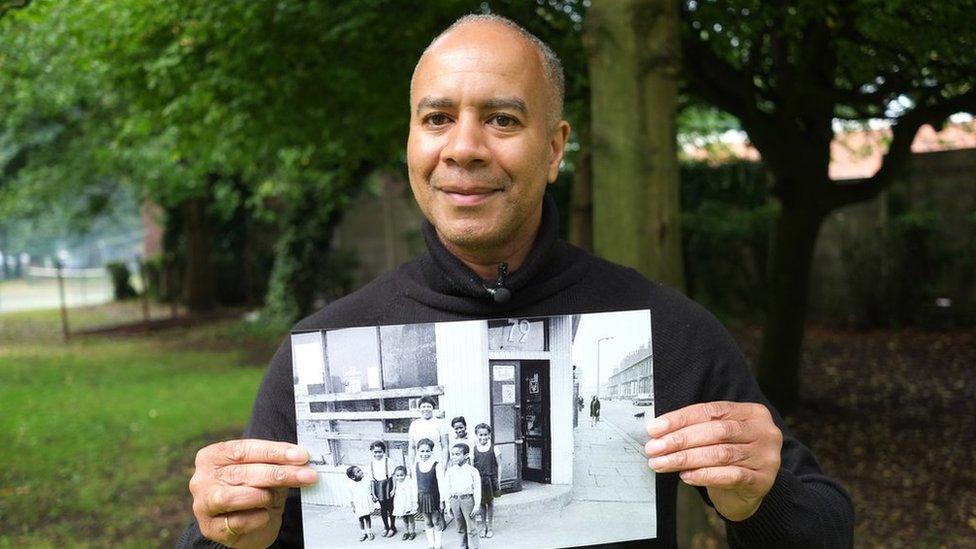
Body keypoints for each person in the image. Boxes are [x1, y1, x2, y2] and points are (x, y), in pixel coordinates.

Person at [180, 13, 854, 549]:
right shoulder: (320, 349)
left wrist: (764, 502)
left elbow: (824, 529)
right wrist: (229, 536)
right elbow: (244, 535)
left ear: (555, 147)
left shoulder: (665, 329)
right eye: (437, 118)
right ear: (412, 141)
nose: (464, 146)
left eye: (502, 119)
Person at [442, 443, 483, 549]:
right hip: (455, 500)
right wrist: (448, 504)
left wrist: (477, 505)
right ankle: (463, 546)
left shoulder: (472, 471)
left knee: (471, 527)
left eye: (457, 454)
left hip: (467, 500)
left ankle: (474, 546)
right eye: (453, 454)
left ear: (466, 455)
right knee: (459, 526)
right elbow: (446, 488)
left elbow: (477, 489)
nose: (454, 457)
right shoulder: (450, 471)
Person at [415, 438, 446, 549]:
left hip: (434, 497)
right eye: (422, 451)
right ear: (418, 451)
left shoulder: (436, 465)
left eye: (427, 451)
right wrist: (415, 500)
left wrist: (442, 500)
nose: (424, 454)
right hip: (422, 497)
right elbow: (414, 483)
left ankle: (438, 544)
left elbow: (441, 483)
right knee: (427, 521)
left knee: (436, 521)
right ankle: (431, 544)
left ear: (432, 451)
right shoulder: (416, 465)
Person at [471, 423, 501, 539]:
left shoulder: (494, 448)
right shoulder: (474, 449)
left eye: (485, 434)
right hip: (479, 480)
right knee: (482, 504)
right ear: (477, 435)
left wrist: (498, 479)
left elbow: (500, 465)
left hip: (491, 479)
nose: (483, 437)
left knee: (491, 503)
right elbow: (472, 467)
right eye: (480, 435)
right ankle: (483, 527)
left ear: (489, 435)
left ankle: (490, 527)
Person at [407, 396, 451, 472]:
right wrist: (411, 466)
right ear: (419, 408)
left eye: (428, 406)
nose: (426, 409)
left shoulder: (441, 423)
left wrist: (444, 466)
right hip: (420, 462)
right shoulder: (414, 425)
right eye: (423, 406)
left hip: (437, 461)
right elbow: (411, 448)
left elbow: (445, 447)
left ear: (433, 408)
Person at [367, 441, 396, 538]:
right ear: (372, 452)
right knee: (383, 508)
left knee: (391, 508)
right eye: (375, 452)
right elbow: (371, 480)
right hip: (378, 487)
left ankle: (392, 527)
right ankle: (386, 527)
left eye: (380, 451)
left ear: (384, 451)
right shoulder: (371, 464)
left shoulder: (389, 461)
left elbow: (393, 476)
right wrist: (373, 493)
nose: (377, 454)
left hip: (388, 485)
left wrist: (394, 489)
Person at [346, 465, 375, 542]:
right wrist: (353, 506)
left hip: (365, 502)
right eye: (358, 472)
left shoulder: (366, 481)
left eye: (360, 470)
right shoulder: (350, 485)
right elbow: (350, 497)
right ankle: (363, 533)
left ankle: (369, 532)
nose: (361, 472)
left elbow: (370, 489)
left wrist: (372, 497)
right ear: (353, 477)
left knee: (367, 517)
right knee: (360, 519)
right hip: (358, 504)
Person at [391, 465, 418, 541]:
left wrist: (409, 507)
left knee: (410, 518)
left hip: (408, 504)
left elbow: (410, 496)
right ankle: (406, 531)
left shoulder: (408, 483)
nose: (399, 477)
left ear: (405, 475)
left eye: (401, 475)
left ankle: (412, 531)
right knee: (404, 518)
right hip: (401, 504)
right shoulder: (397, 482)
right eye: (397, 476)